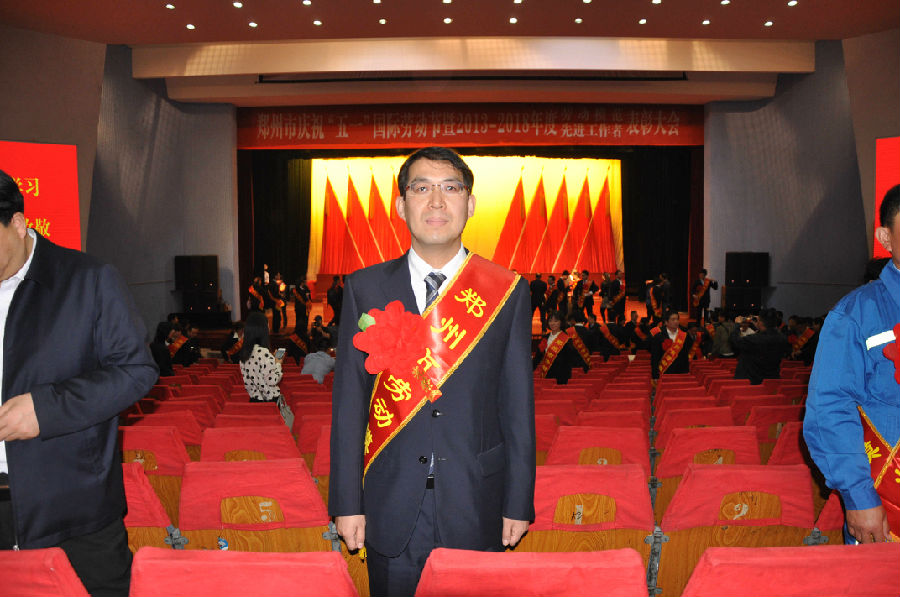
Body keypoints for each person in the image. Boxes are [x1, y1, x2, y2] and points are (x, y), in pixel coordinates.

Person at [329, 147, 535, 597]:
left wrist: (518, 501)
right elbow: (349, 404)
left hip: (477, 500)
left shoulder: (507, 291)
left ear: (470, 203)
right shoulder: (365, 288)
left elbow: (517, 407)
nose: (437, 201)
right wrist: (346, 502)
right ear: (401, 205)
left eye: (451, 188)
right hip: (390, 501)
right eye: (421, 188)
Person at [0, 168, 157, 595]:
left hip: (73, 512)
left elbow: (136, 370)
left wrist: (46, 409)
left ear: (18, 223)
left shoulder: (87, 279)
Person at [804, 184, 900, 544]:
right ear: (885, 238)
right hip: (888, 503)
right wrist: (858, 497)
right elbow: (830, 407)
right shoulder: (855, 314)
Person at [730, 310, 789, 384]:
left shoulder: (755, 339)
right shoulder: (783, 338)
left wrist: (737, 325)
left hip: (752, 380)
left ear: (761, 322)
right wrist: (759, 326)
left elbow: (735, 341)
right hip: (771, 379)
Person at [238, 311, 283, 403]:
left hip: (253, 400)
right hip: (270, 402)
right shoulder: (264, 353)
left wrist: (272, 360)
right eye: (268, 325)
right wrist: (278, 363)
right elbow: (272, 380)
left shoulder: (245, 352)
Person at [533, 311, 588, 384]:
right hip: (547, 375)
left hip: (562, 377)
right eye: (550, 321)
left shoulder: (567, 338)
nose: (552, 323)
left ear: (561, 322)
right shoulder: (545, 338)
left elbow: (573, 358)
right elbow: (538, 357)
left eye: (556, 321)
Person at [650, 309, 694, 380]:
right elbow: (655, 358)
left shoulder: (685, 336)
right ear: (666, 322)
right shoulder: (659, 336)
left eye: (677, 319)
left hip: (681, 373)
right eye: (673, 319)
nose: (676, 321)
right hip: (664, 372)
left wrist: (686, 373)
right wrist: (655, 376)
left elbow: (686, 356)